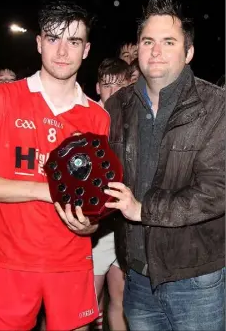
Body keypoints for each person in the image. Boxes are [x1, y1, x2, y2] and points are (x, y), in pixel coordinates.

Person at [101, 0, 224, 331]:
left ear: (188, 53)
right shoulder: (117, 107)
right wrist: (89, 218)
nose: (156, 51)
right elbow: (104, 178)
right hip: (137, 278)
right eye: (148, 41)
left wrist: (144, 210)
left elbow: (216, 190)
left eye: (169, 42)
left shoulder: (216, 107)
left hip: (196, 279)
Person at [0, 0, 110, 331]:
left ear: (85, 50)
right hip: (8, 262)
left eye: (73, 41)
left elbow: (94, 199)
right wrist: (45, 191)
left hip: (72, 262)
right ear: (39, 42)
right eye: (53, 38)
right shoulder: (2, 99)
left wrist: (91, 224)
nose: (62, 50)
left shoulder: (98, 118)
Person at [93, 57, 130, 330]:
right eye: (107, 85)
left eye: (119, 84)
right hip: (97, 227)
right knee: (89, 304)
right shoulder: (88, 117)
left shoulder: (136, 121)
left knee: (120, 301)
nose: (113, 91)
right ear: (97, 88)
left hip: (126, 224)